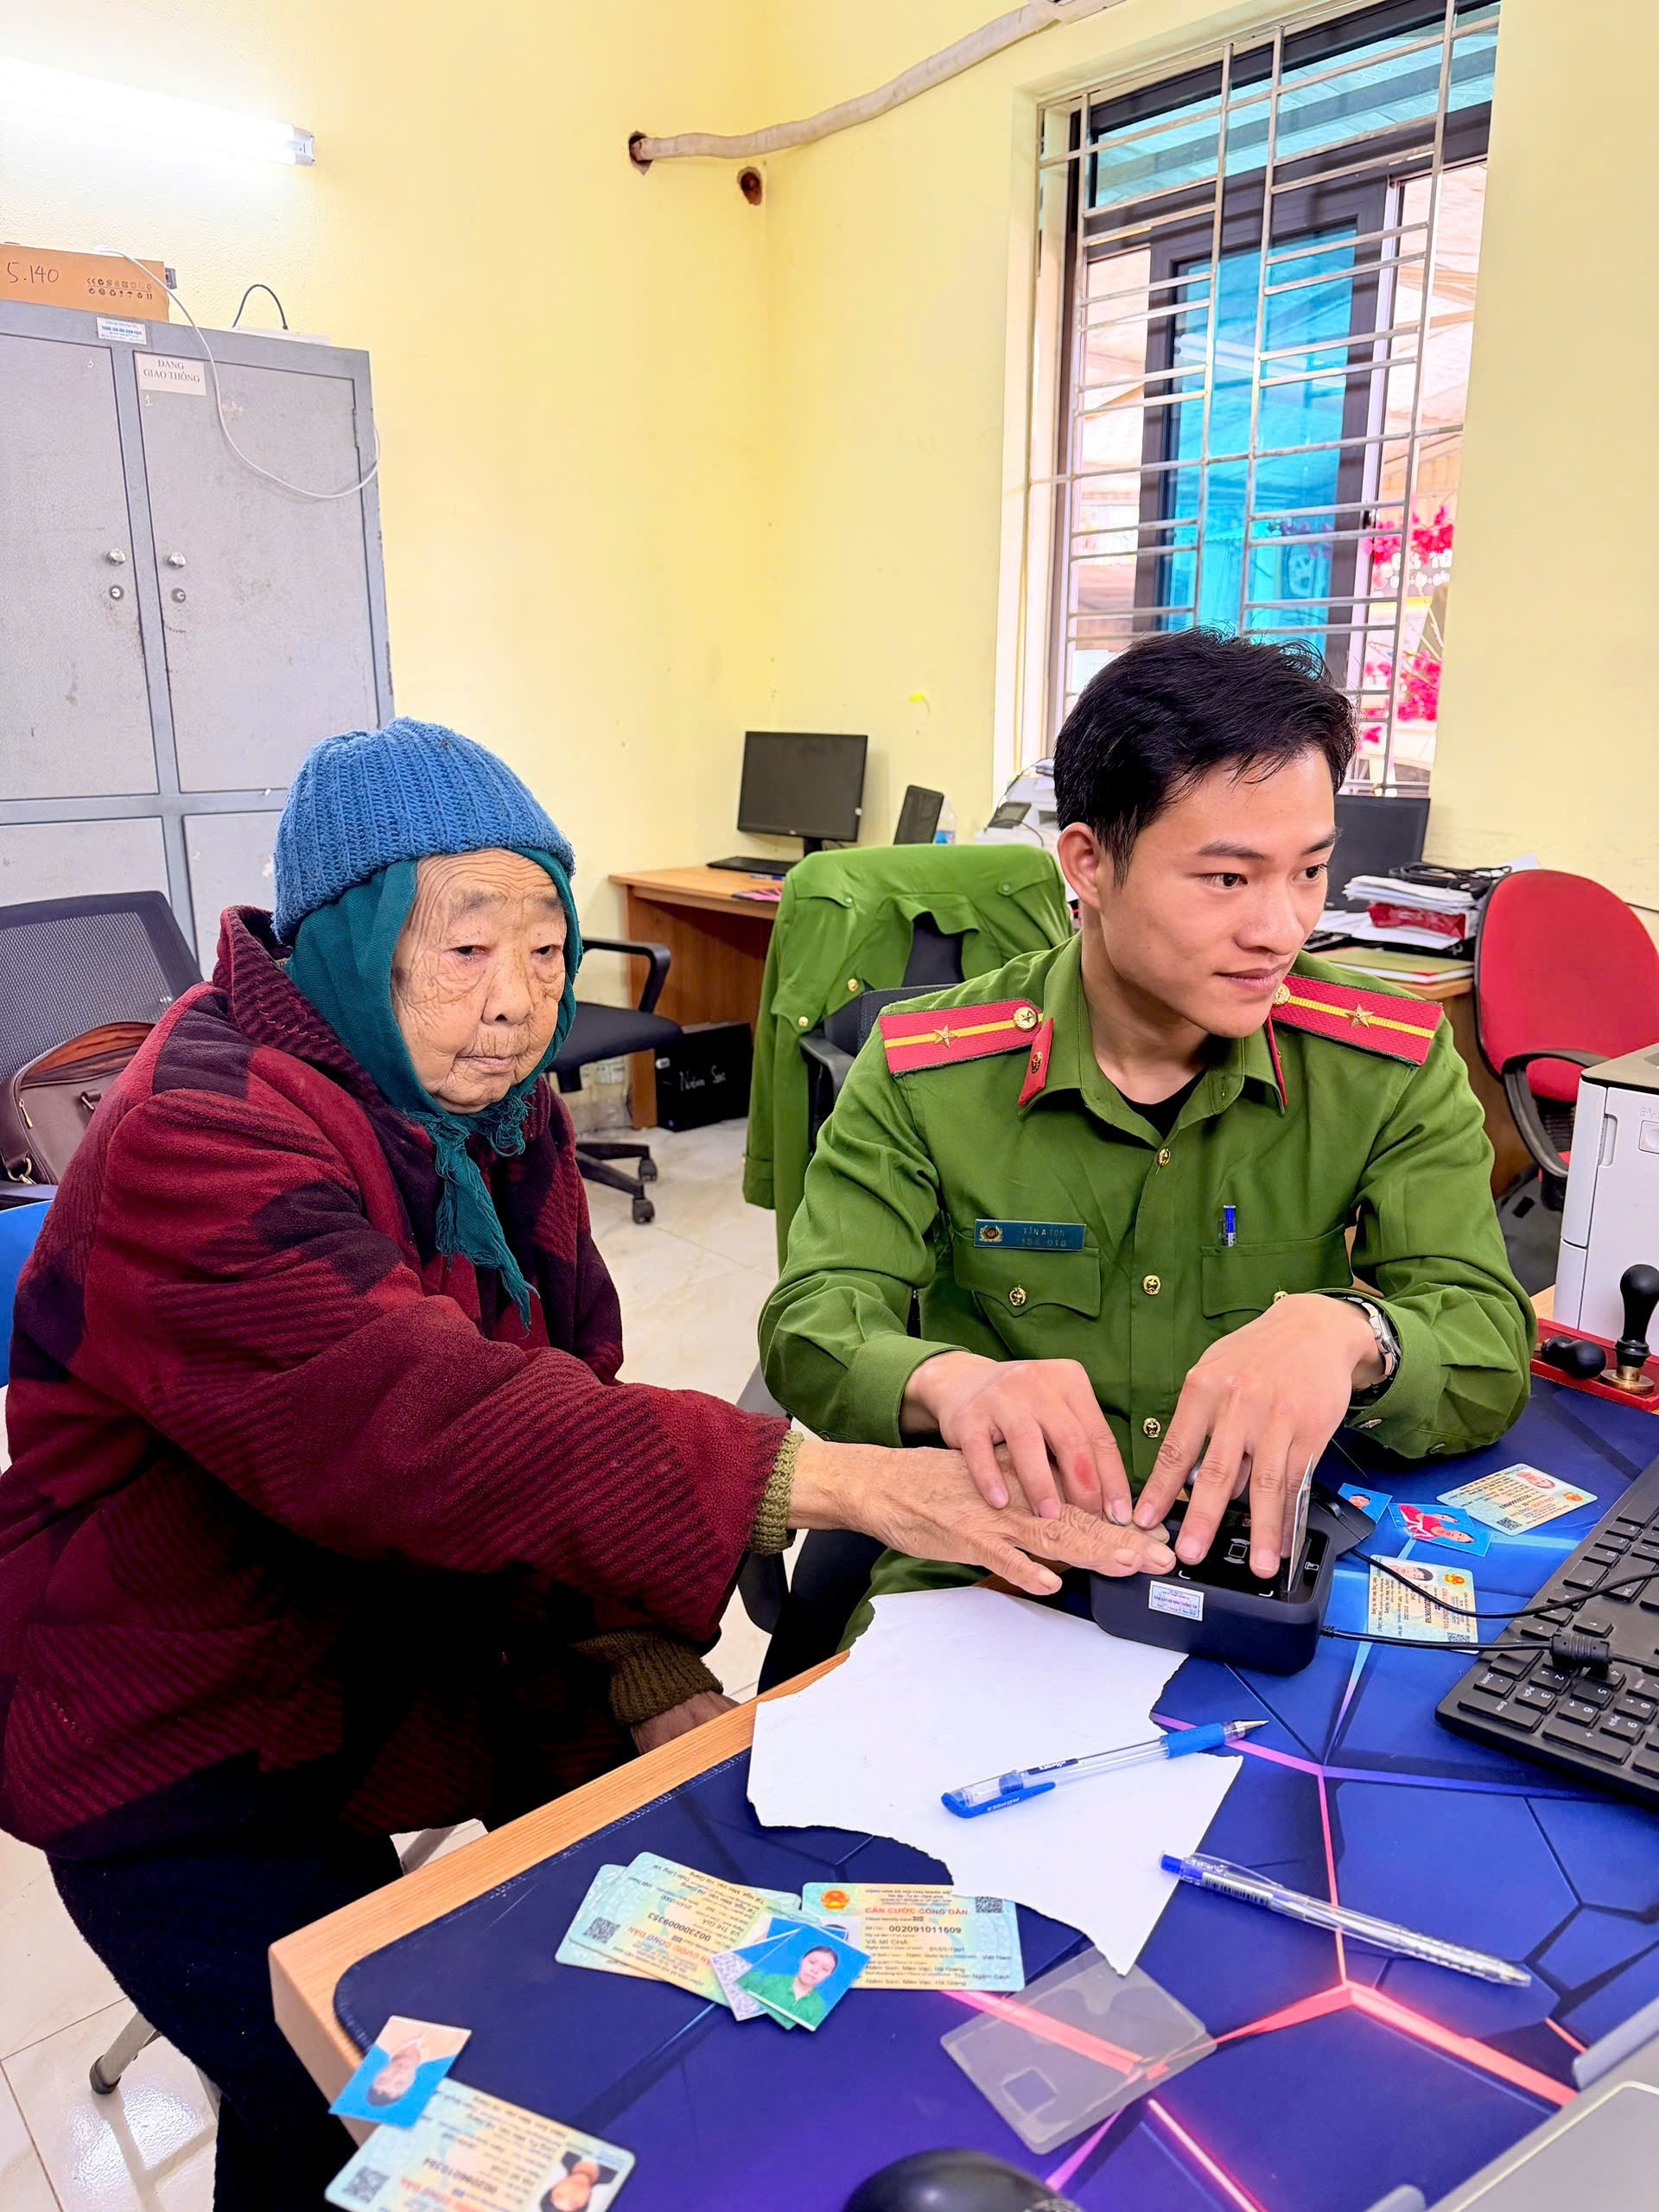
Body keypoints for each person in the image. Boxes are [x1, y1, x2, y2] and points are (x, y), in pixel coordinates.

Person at [0, 719, 1177, 2210]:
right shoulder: (197, 1130)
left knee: (709, 1901)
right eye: (465, 951)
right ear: (347, 941)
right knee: (355, 2098)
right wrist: (843, 1478)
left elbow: (562, 1395)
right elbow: (431, 1425)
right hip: (176, 1714)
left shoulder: (490, 1113)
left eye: (547, 951)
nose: (517, 1006)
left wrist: (639, 1662)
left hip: (412, 1627)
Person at [760, 631, 1534, 1629]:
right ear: (1088, 862)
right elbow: (811, 1324)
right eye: (1227, 880)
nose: (1281, 929)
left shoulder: (1383, 1060)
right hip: (1000, 1566)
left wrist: (1358, 1333)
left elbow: (1488, 1347)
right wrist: (950, 1382)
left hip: (1254, 1567)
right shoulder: (928, 1067)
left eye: (1310, 871)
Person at [741, 1941, 842, 2028]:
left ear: (829, 1975)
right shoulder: (770, 1980)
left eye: (825, 1969)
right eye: (812, 1962)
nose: (815, 1970)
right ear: (802, 1960)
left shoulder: (819, 2007)